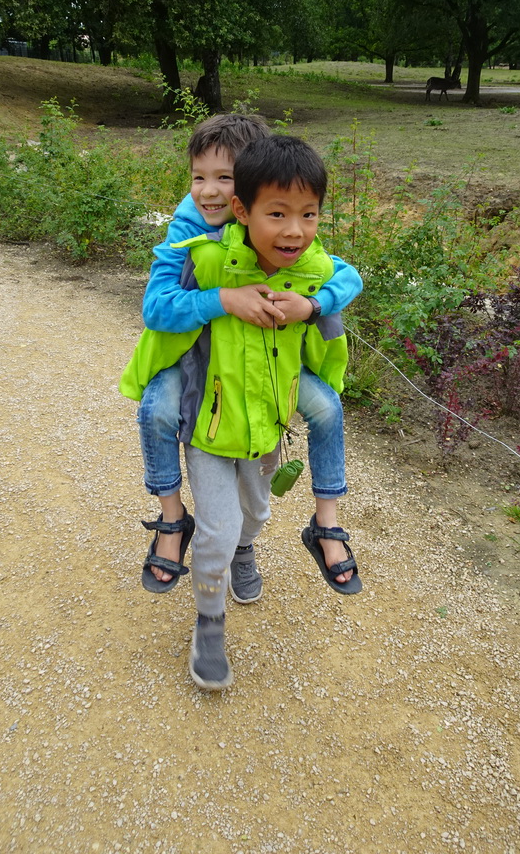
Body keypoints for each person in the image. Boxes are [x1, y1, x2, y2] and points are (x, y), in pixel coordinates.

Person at [120, 134, 362, 689]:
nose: (210, 191)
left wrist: (315, 304)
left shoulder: (301, 259)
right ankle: (204, 605)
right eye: (200, 177)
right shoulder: (198, 248)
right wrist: (225, 299)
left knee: (254, 515)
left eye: (225, 176)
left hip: (266, 420)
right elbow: (157, 307)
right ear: (244, 210)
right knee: (164, 422)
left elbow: (345, 275)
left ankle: (252, 545)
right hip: (209, 416)